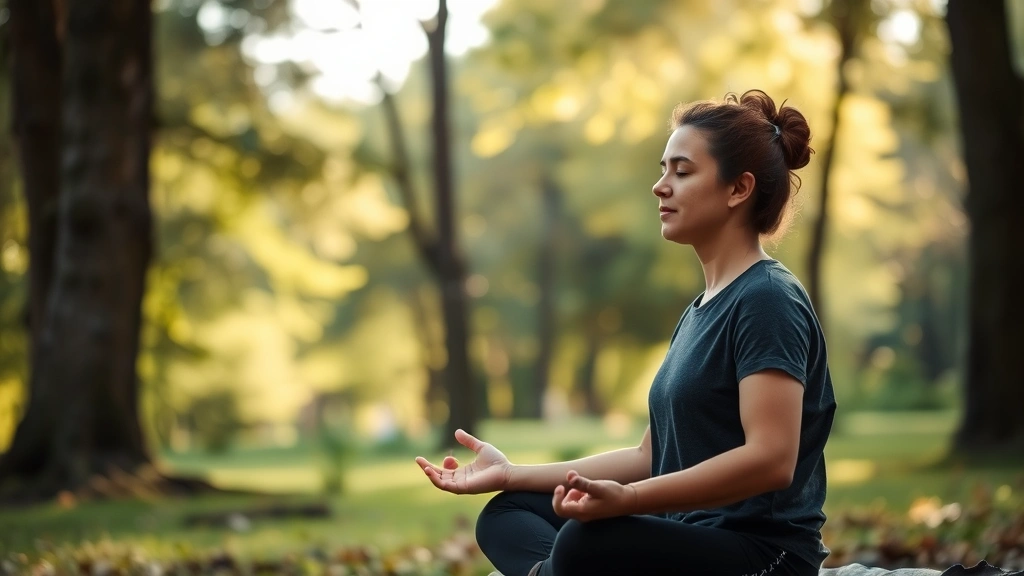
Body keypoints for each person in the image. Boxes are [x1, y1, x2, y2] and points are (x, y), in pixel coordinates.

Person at [414, 90, 837, 576]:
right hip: (689, 536)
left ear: (738, 189)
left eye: (682, 171)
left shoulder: (766, 299)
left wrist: (628, 501)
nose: (660, 186)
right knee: (509, 511)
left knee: (582, 542)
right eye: (663, 170)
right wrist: (509, 475)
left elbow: (770, 460)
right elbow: (648, 455)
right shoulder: (701, 310)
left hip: (763, 556)